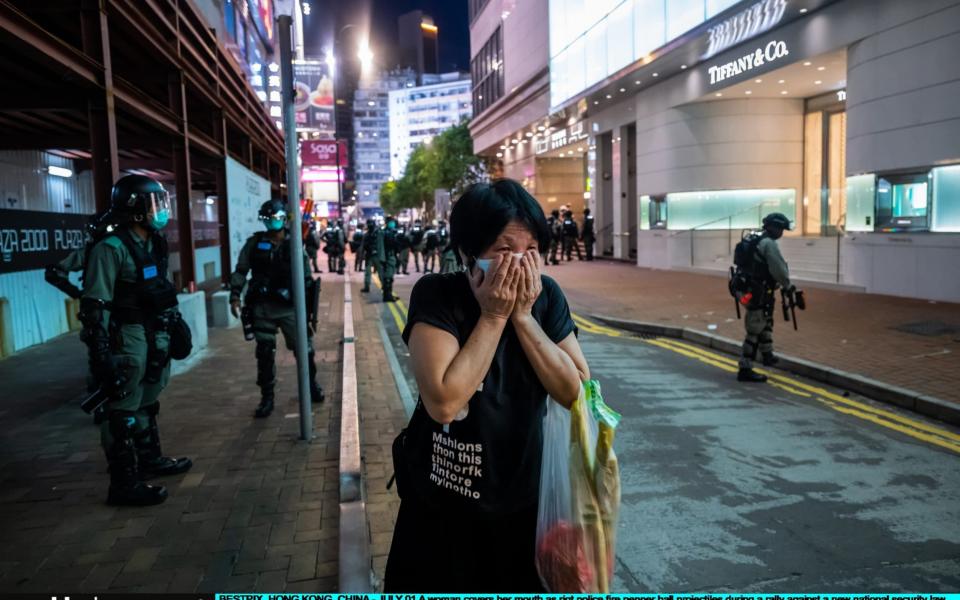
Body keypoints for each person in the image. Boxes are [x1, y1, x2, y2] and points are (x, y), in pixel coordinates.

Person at [384, 179, 590, 592]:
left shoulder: (545, 297)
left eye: (530, 250)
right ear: (467, 253)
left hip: (525, 504)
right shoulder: (439, 296)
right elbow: (443, 401)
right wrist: (494, 316)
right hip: (443, 508)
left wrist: (524, 318)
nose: (519, 263)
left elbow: (576, 391)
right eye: (503, 250)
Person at [79, 175, 193, 506]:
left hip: (155, 331)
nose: (161, 211)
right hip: (127, 336)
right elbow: (94, 307)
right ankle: (123, 483)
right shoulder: (110, 249)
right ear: (135, 210)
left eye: (162, 204)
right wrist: (101, 354)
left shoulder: (154, 242)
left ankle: (149, 459)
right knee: (122, 408)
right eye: (154, 205)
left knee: (147, 400)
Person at [229, 200, 324, 417]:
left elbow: (306, 278)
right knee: (264, 354)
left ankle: (311, 385)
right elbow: (241, 270)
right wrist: (235, 295)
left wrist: (308, 310)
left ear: (283, 219)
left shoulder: (293, 244)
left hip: (290, 308)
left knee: (304, 349)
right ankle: (267, 397)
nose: (273, 222)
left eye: (276, 218)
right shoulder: (254, 244)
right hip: (262, 307)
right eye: (268, 218)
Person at [737, 212, 794, 383]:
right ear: (774, 228)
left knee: (765, 321)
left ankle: (768, 355)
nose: (782, 233)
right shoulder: (768, 244)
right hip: (757, 291)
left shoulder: (755, 239)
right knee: (755, 328)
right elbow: (779, 269)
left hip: (748, 289)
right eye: (781, 229)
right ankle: (745, 368)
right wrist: (787, 285)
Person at [381, 217, 400, 302]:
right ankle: (387, 296)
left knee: (390, 277)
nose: (393, 223)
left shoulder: (391, 232)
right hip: (388, 257)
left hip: (391, 256)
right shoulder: (386, 233)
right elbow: (390, 245)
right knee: (388, 278)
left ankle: (389, 295)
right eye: (392, 222)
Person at [361, 219, 383, 293]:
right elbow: (364, 246)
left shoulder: (378, 233)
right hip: (370, 255)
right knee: (368, 272)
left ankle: (384, 286)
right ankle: (367, 286)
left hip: (376, 255)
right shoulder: (367, 235)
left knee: (380, 272)